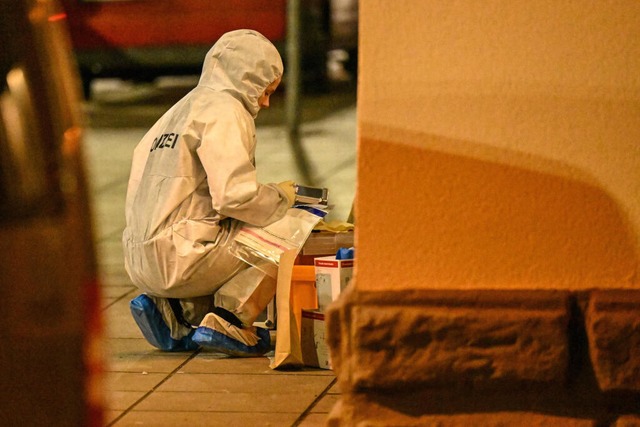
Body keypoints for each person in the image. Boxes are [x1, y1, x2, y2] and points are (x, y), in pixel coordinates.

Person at [122, 29, 296, 356]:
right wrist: (283, 198)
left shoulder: (176, 111)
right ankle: (230, 319)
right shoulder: (227, 111)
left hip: (139, 260)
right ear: (248, 78)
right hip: (182, 260)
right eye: (265, 89)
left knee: (215, 230)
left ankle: (171, 311)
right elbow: (234, 197)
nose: (265, 101)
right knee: (291, 226)